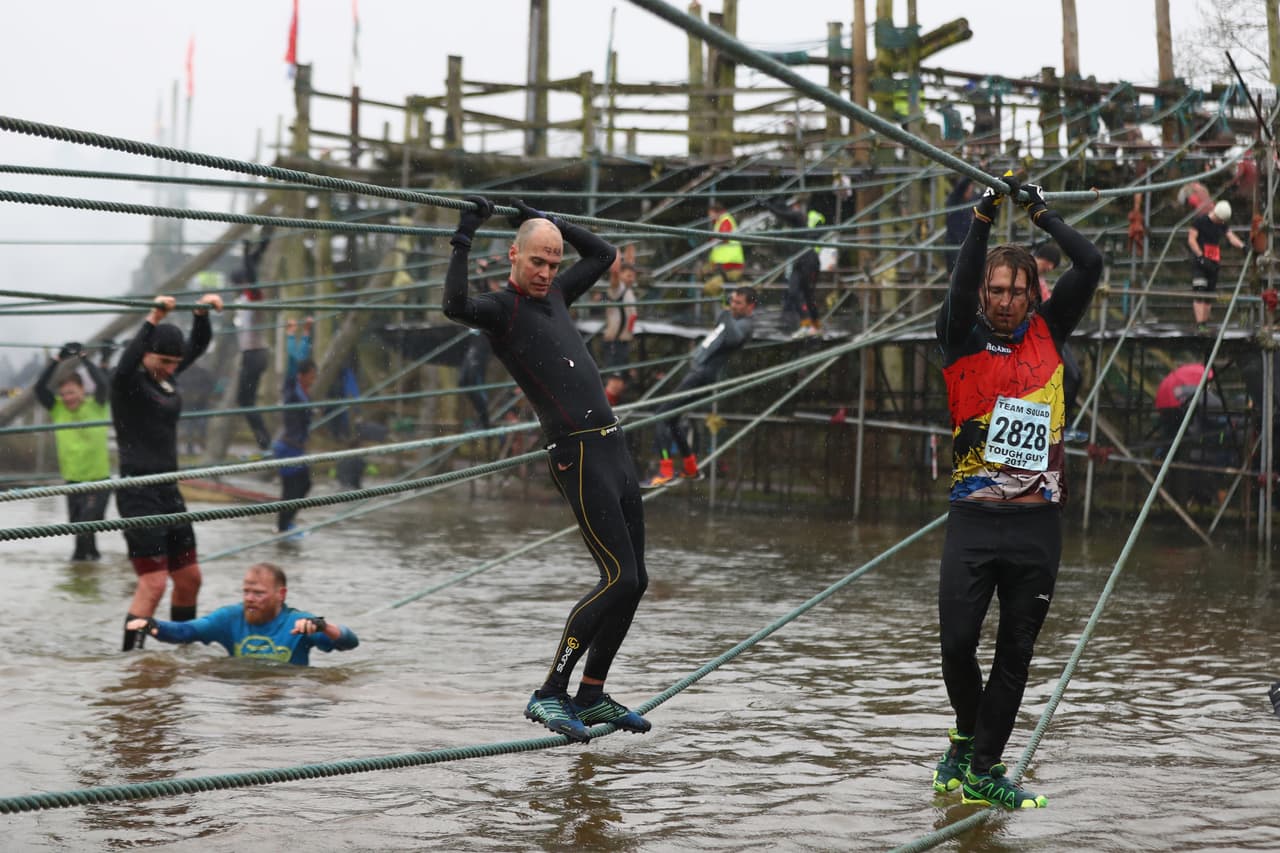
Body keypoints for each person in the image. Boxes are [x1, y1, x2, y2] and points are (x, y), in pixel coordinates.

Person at [443, 195, 650, 743]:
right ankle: (549, 695)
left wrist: (550, 219)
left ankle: (592, 694)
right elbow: (454, 305)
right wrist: (466, 231)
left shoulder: (557, 293)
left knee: (637, 581)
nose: (545, 273)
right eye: (537, 261)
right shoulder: (500, 310)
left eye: (553, 263)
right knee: (618, 577)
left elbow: (603, 252)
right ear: (513, 256)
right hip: (576, 453)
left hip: (613, 445)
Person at [932, 174, 1102, 809]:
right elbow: (957, 287)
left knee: (1016, 654)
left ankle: (983, 766)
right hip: (973, 522)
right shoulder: (959, 335)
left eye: (1016, 290)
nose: (1005, 300)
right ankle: (966, 732)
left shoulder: (1049, 332)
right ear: (984, 293)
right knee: (955, 645)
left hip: (1037, 527)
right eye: (996, 290)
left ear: (1034, 293)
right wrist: (981, 216)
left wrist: (1041, 215)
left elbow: (1091, 261)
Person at [112, 292, 223, 651]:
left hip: (167, 490)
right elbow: (126, 362)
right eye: (164, 361)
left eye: (176, 363)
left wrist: (202, 313)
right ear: (147, 353)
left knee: (190, 578)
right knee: (154, 582)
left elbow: (199, 344)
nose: (171, 368)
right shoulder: (128, 382)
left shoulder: (167, 375)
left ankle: (182, 651)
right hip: (138, 491)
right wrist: (153, 318)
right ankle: (132, 661)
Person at [125, 562, 357, 666]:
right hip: (243, 694)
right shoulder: (229, 618)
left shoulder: (299, 622)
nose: (249, 599)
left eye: (258, 593)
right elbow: (188, 631)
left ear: (281, 594)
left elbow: (349, 643)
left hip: (287, 694)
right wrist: (153, 626)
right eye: (246, 592)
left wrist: (324, 626)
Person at [642, 286, 757, 488]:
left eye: (739, 303)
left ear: (750, 306)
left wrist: (727, 312)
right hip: (698, 372)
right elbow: (721, 323)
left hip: (701, 375)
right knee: (673, 419)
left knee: (660, 417)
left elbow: (734, 338)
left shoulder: (746, 324)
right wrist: (725, 307)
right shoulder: (731, 317)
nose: (734, 305)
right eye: (733, 301)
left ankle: (666, 471)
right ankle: (690, 467)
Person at [33, 342, 111, 561]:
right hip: (74, 483)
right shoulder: (58, 409)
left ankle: (79, 569)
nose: (68, 398)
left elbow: (103, 384)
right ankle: (89, 570)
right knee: (80, 532)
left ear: (82, 390)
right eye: (64, 394)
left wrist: (85, 358)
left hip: (99, 482)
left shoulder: (97, 405)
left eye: (72, 392)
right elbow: (39, 388)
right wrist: (57, 360)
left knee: (84, 530)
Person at [1033, 243, 1084, 440]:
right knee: (1066, 377)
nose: (1050, 269)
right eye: (1049, 265)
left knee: (1074, 376)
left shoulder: (1040, 279)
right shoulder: (1026, 275)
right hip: (1043, 335)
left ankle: (1062, 421)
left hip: (1053, 332)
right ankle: (1055, 422)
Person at [761, 195, 826, 337]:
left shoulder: (798, 217)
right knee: (793, 291)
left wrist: (768, 206)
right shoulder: (788, 222)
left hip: (809, 261)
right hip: (798, 262)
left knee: (808, 295)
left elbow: (783, 214)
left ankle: (815, 325)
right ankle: (806, 323)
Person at [232, 232, 273, 450]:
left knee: (245, 400)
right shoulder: (244, 296)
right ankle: (263, 440)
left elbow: (251, 272)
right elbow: (251, 266)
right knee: (245, 400)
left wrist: (246, 254)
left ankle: (264, 441)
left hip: (255, 354)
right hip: (252, 354)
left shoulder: (254, 297)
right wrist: (261, 244)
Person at [273, 358, 317, 533]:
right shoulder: (292, 391)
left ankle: (287, 524)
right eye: (311, 376)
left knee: (305, 485)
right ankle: (283, 529)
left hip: (297, 449)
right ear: (302, 375)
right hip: (287, 449)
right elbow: (292, 361)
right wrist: (295, 337)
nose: (313, 379)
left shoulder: (305, 394)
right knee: (290, 492)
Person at [1188, 200, 1246, 332]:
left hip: (1213, 261)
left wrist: (1243, 247)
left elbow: (1231, 237)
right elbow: (1191, 239)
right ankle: (1200, 324)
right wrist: (1200, 256)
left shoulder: (1222, 224)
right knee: (1199, 290)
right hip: (1200, 261)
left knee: (1209, 293)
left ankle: (1204, 323)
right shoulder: (1200, 221)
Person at [702, 199, 744, 298]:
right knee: (705, 276)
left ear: (716, 212)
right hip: (724, 265)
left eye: (710, 214)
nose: (710, 217)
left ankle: (722, 306)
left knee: (711, 288)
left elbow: (724, 237)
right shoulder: (721, 221)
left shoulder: (725, 220)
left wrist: (712, 239)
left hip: (729, 265)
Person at [600, 262, 639, 368]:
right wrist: (615, 255)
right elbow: (614, 273)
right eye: (629, 276)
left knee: (620, 382)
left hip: (623, 342)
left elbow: (630, 259)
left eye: (633, 276)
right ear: (620, 274)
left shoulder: (628, 290)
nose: (632, 279)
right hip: (615, 342)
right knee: (614, 381)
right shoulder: (617, 289)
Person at [284, 315, 314, 386]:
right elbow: (297, 358)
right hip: (293, 383)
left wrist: (306, 331)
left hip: (296, 382)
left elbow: (299, 358)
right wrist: (306, 331)